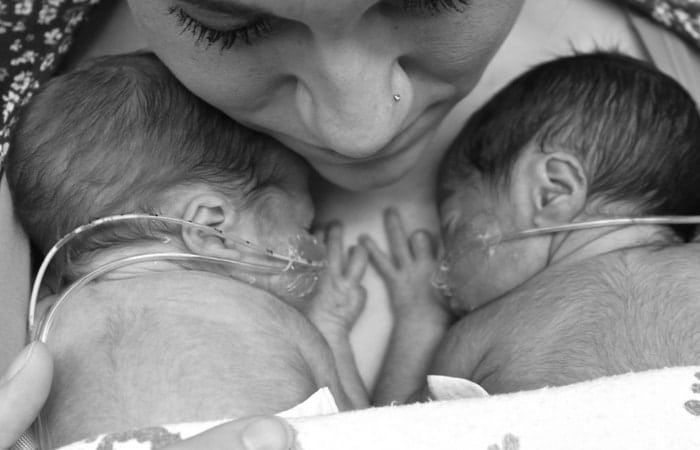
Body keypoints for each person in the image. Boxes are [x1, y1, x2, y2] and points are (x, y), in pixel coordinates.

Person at [1, 1, 699, 449]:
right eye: (226, 24)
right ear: (208, 227)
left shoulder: (56, 316)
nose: (359, 132)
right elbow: (382, 432)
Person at [5, 52, 369, 448]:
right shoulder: (270, 316)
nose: (312, 247)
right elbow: (369, 429)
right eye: (303, 227)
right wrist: (330, 325)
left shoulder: (38, 325)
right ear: (211, 226)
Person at [358, 52, 700, 404]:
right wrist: (422, 316)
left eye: (453, 228)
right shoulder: (478, 335)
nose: (443, 267)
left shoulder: (482, 335)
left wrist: (420, 322)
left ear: (551, 192)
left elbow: (393, 429)